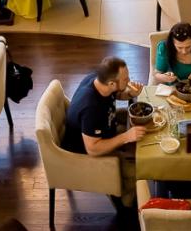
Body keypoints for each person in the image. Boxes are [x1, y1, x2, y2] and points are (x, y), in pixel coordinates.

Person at [61, 56, 145, 207]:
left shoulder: (99, 79)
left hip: (104, 128)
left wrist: (130, 94)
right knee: (135, 170)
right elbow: (93, 149)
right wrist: (125, 137)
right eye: (125, 79)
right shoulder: (91, 108)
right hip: (85, 150)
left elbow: (116, 93)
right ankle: (126, 205)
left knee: (139, 119)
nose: (129, 80)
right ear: (112, 83)